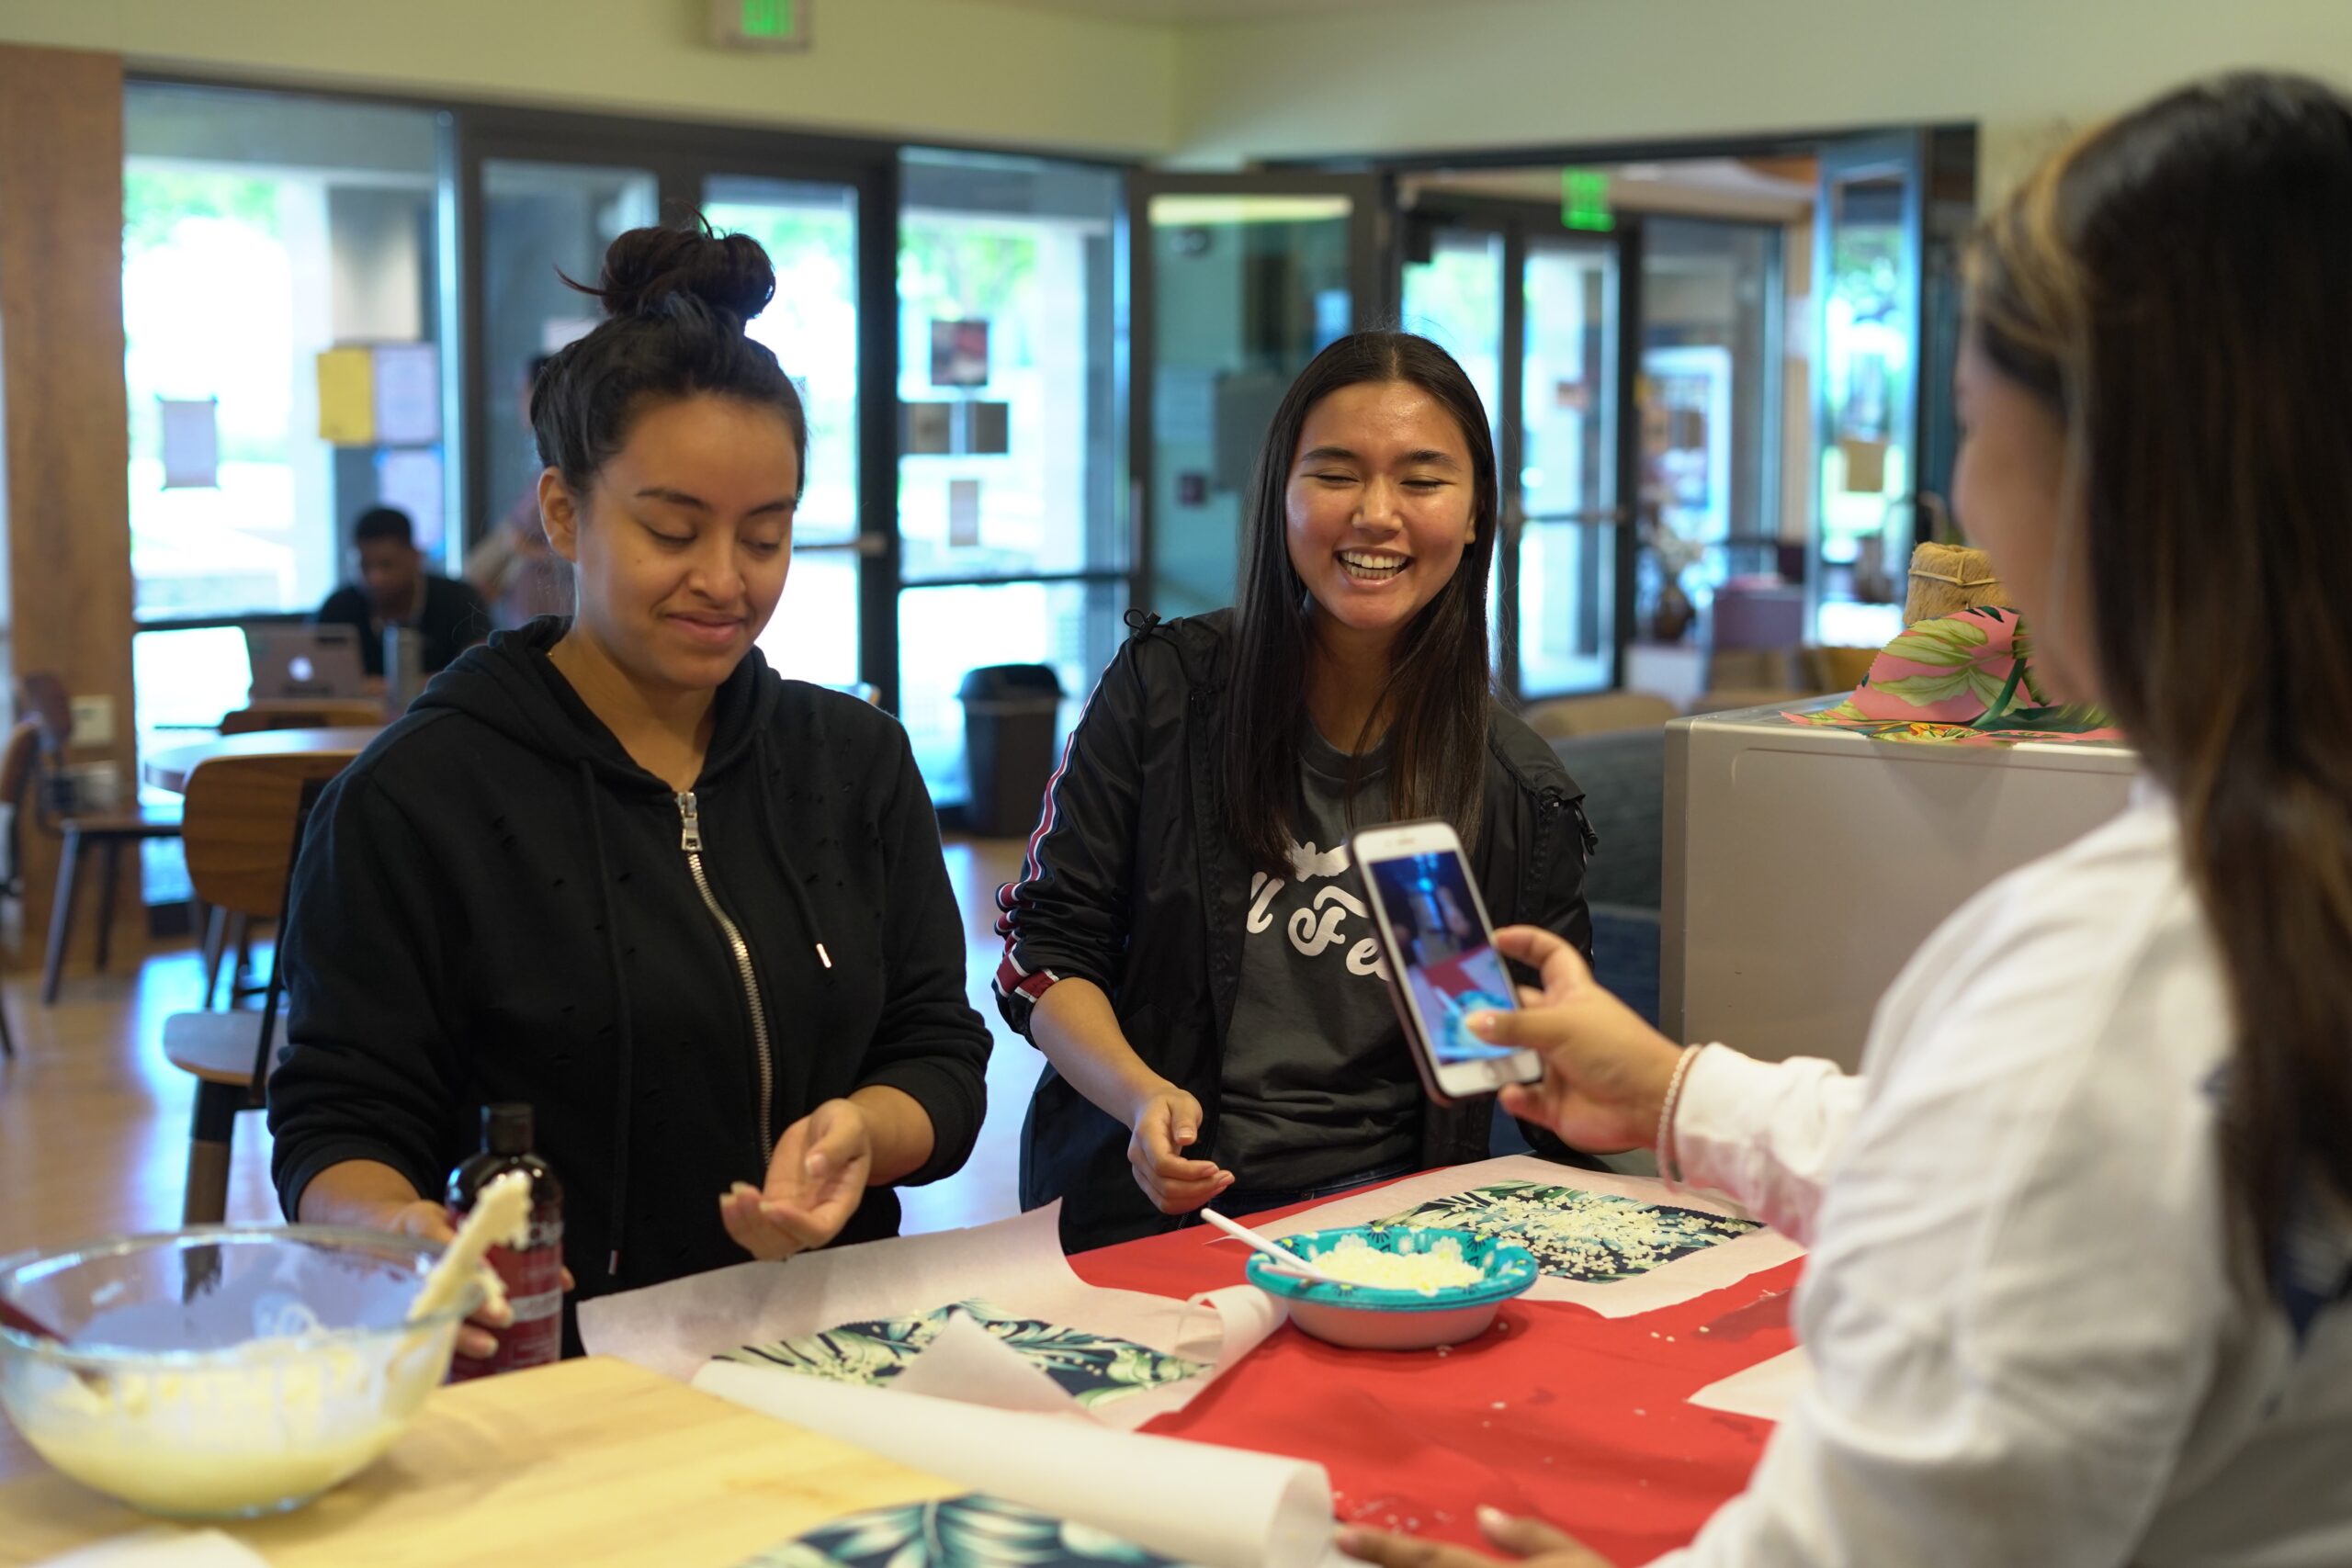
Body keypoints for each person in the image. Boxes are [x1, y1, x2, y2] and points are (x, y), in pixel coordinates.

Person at [1342, 73, 2352, 1568]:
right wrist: (1680, 1090)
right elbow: (2023, 1181)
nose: (1957, 497)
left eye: (1969, 426)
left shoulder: (2111, 989)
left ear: (2103, 473)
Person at [269, 219, 991, 1358]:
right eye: (672, 529)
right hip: (549, 1365)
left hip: (833, 1342)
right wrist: (405, 1232)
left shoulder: (851, 761)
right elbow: (336, 1126)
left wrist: (865, 1131)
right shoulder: (417, 798)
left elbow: (938, 1052)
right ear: (563, 514)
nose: (724, 581)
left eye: (765, 536)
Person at [996, 332, 1600, 1255]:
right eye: (1336, 474)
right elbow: (1044, 947)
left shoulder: (1516, 788)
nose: (1376, 514)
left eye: (1423, 480)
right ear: (1279, 496)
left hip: (1398, 1239)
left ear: (1477, 513)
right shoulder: (1168, 694)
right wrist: (1139, 1094)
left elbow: (1522, 1073)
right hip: (1154, 1214)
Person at [315, 505, 492, 678]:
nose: (375, 578)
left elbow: (479, 671)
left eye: (386, 565)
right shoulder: (338, 608)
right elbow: (318, 675)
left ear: (415, 557)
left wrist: (394, 689)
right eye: (364, 566)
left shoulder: (458, 599)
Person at [465, 354, 575, 629]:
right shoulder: (543, 461)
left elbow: (586, 548)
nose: (519, 402)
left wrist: (525, 550)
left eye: (522, 391)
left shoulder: (569, 463)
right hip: (530, 616)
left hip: (555, 616)